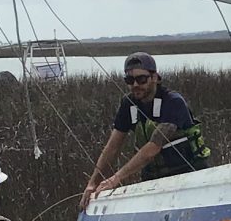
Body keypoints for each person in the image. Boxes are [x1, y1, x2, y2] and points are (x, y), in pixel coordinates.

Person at [80, 52, 211, 206]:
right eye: (130, 80)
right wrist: (93, 183)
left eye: (141, 79)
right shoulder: (128, 104)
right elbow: (112, 147)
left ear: (154, 77)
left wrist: (116, 178)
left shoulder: (173, 102)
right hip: (153, 180)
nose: (135, 85)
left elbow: (153, 147)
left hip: (188, 176)